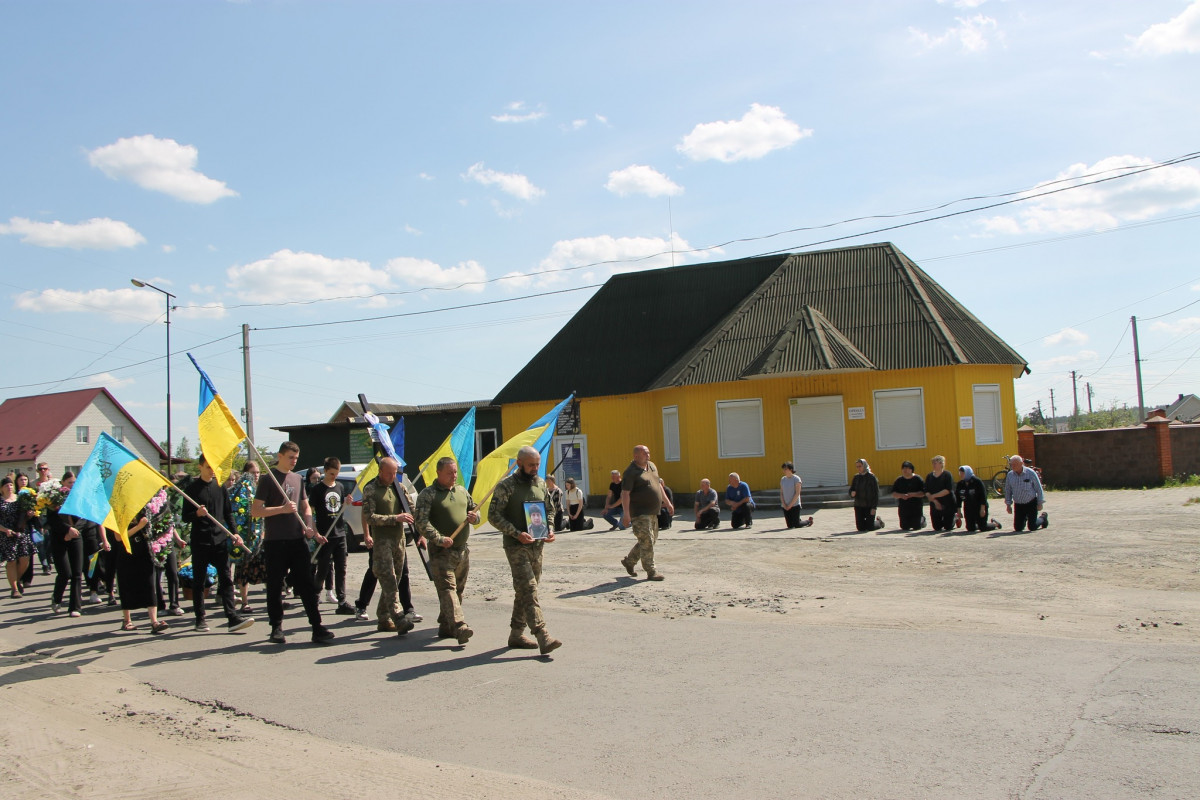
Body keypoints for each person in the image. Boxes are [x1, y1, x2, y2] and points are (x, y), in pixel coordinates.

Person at [251, 442, 333, 645]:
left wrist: (308, 525)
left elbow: (305, 506)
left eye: (296, 458)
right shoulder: (268, 479)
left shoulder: (298, 478)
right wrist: (281, 509)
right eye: (290, 457)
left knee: (306, 583)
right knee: (275, 584)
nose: (294, 461)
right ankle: (276, 627)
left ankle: (317, 626)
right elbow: (256, 511)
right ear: (280, 456)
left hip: (298, 539)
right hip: (276, 541)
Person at [488, 445, 562, 655]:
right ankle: (542, 635)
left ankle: (516, 634)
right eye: (531, 465)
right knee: (528, 589)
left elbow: (549, 510)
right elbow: (493, 515)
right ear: (519, 463)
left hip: (537, 546)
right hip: (516, 546)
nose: (535, 468)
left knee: (526, 590)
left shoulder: (540, 484)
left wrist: (550, 529)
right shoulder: (506, 486)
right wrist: (515, 533)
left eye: (537, 464)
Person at [183, 454, 253, 633]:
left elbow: (228, 513)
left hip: (220, 539)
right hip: (201, 541)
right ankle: (200, 618)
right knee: (199, 580)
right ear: (200, 467)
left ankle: (232, 617)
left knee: (226, 579)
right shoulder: (191, 490)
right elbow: (185, 516)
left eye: (213, 467)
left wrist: (236, 534)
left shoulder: (220, 487)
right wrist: (196, 514)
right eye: (208, 467)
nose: (211, 471)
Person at [414, 457, 480, 644]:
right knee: (448, 589)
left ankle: (446, 624)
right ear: (439, 473)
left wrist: (475, 517)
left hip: (462, 550)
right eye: (450, 473)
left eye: (455, 472)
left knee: (458, 589)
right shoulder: (428, 494)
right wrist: (438, 538)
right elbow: (421, 522)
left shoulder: (461, 491)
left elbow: (474, 510)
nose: (454, 476)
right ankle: (459, 626)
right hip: (441, 552)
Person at [362, 456, 423, 637]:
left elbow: (412, 511)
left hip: (399, 540)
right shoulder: (371, 489)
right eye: (389, 473)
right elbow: (370, 517)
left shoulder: (399, 487)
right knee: (388, 579)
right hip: (382, 542)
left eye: (395, 473)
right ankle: (398, 618)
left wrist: (420, 534)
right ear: (380, 472)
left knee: (395, 581)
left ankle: (383, 617)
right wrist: (394, 518)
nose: (392, 477)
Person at [308, 457, 355, 615]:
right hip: (325, 535)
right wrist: (316, 533)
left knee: (341, 568)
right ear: (325, 471)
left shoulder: (340, 486)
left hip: (340, 534)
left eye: (336, 473)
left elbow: (339, 508)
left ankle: (342, 600)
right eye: (331, 473)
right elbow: (311, 514)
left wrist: (346, 503)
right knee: (323, 568)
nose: (334, 476)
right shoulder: (317, 490)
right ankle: (314, 597)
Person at [617, 445, 671, 580]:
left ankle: (629, 561)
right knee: (646, 540)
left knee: (650, 540)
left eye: (648, 452)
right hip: (639, 512)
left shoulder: (651, 466)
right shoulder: (630, 472)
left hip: (653, 511)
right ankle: (651, 571)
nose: (648, 455)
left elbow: (658, 484)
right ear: (636, 456)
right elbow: (625, 493)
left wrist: (667, 502)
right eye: (645, 453)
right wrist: (626, 514)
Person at [116, 507, 169, 634]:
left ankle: (154, 621)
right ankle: (127, 620)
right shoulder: (119, 512)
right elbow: (119, 537)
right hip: (126, 552)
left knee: (150, 585)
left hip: (144, 552)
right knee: (126, 585)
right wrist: (139, 526)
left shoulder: (144, 511)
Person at [48, 471, 85, 617]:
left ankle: (75, 607)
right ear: (63, 483)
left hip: (76, 536)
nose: (72, 485)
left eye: (74, 482)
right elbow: (52, 520)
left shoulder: (80, 497)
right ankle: (57, 598)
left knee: (77, 573)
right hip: (59, 537)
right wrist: (67, 530)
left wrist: (74, 530)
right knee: (65, 573)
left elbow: (85, 517)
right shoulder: (53, 498)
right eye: (69, 482)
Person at [232, 460, 266, 612]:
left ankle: (273, 598)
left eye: (258, 472)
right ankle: (245, 601)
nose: (256, 475)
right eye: (253, 472)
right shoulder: (241, 490)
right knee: (243, 569)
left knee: (266, 567)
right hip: (246, 534)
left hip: (261, 534)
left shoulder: (261, 488)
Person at [0, 477, 35, 598]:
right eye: (6, 486)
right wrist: (5, 530)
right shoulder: (1, 501)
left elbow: (27, 515)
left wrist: (30, 514)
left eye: (10, 485)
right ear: (1, 489)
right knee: (11, 561)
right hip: (7, 534)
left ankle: (17, 579)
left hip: (21, 532)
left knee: (25, 559)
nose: (9, 487)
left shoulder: (21, 498)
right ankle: (14, 588)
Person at [1004, 455, 1048, 531]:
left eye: (1015, 464)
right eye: (1011, 465)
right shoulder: (1010, 475)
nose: (1013, 466)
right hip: (1018, 504)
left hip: (1031, 502)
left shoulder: (1030, 473)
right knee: (1018, 528)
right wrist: (1008, 505)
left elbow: (1038, 488)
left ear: (1021, 463)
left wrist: (1040, 503)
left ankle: (1043, 518)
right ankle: (1024, 518)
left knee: (1032, 527)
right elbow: (1008, 490)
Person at [953, 466, 1001, 532]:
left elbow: (983, 496)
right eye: (960, 473)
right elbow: (958, 499)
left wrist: (982, 509)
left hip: (980, 507)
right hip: (968, 508)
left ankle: (995, 524)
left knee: (983, 528)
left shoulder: (977, 482)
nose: (961, 475)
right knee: (970, 528)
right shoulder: (960, 484)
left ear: (967, 473)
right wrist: (958, 511)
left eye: (962, 473)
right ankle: (977, 524)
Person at [849, 459, 885, 531]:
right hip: (859, 505)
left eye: (860, 466)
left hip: (869, 505)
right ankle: (867, 523)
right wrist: (851, 493)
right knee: (860, 528)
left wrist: (874, 507)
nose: (858, 468)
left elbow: (876, 493)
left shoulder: (872, 477)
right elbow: (851, 489)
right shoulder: (856, 477)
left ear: (864, 466)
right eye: (857, 466)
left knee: (870, 528)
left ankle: (879, 522)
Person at [891, 461, 926, 531]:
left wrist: (913, 494)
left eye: (907, 468)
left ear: (911, 469)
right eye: (903, 468)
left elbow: (923, 493)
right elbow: (893, 493)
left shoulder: (918, 479)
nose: (905, 470)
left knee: (916, 527)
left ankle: (923, 520)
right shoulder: (899, 480)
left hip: (916, 507)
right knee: (904, 527)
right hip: (904, 507)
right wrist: (901, 495)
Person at [924, 456, 956, 532]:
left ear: (941, 464)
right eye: (933, 463)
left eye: (935, 463)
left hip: (947, 503)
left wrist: (934, 496)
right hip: (935, 503)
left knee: (948, 527)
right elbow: (926, 490)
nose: (933, 465)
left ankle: (955, 518)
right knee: (937, 527)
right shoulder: (929, 476)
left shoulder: (947, 475)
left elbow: (948, 490)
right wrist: (935, 501)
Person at [780, 462, 813, 529]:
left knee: (797, 525)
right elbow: (781, 493)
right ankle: (797, 519)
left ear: (790, 469)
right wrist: (784, 504)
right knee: (790, 526)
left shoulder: (796, 479)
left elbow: (797, 493)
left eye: (786, 469)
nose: (784, 471)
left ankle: (808, 521)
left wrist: (790, 505)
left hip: (795, 505)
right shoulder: (783, 479)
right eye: (783, 469)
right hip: (785, 505)